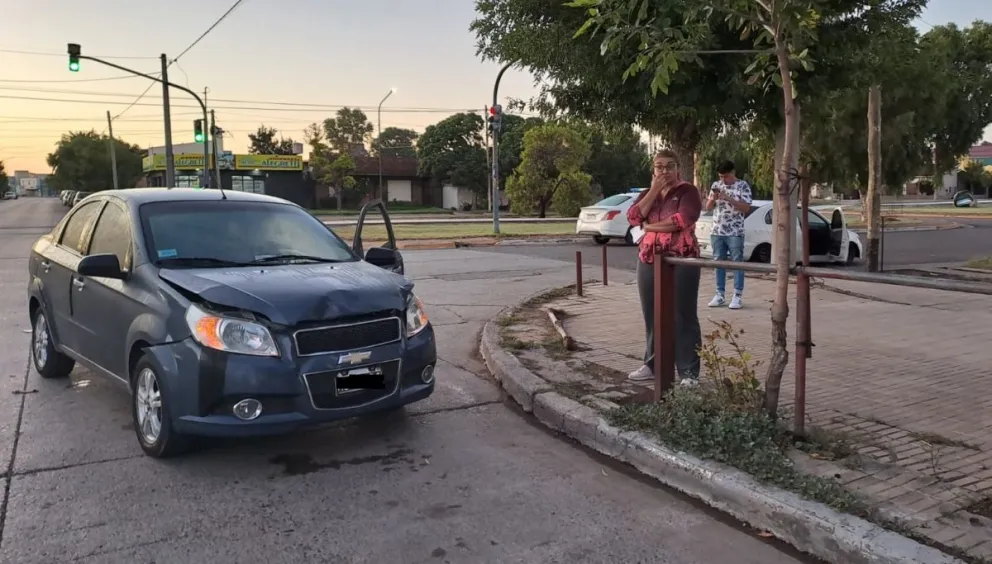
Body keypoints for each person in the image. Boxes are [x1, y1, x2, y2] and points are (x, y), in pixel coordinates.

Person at [625, 150, 703, 386]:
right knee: (652, 312)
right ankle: (653, 364)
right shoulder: (648, 193)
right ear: (653, 170)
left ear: (678, 168)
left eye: (670, 166)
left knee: (683, 314)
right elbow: (633, 217)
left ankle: (688, 372)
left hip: (681, 259)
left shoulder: (688, 191)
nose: (664, 171)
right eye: (659, 167)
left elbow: (682, 220)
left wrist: (648, 227)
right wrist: (653, 191)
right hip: (649, 257)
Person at [704, 160, 753, 310]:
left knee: (737, 262)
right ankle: (719, 294)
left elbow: (746, 208)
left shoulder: (742, 186)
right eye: (720, 176)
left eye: (725, 176)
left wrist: (729, 199)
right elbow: (708, 207)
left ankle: (737, 295)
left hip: (735, 231)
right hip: (717, 230)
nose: (723, 179)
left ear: (733, 173)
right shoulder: (716, 185)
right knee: (718, 262)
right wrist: (713, 199)